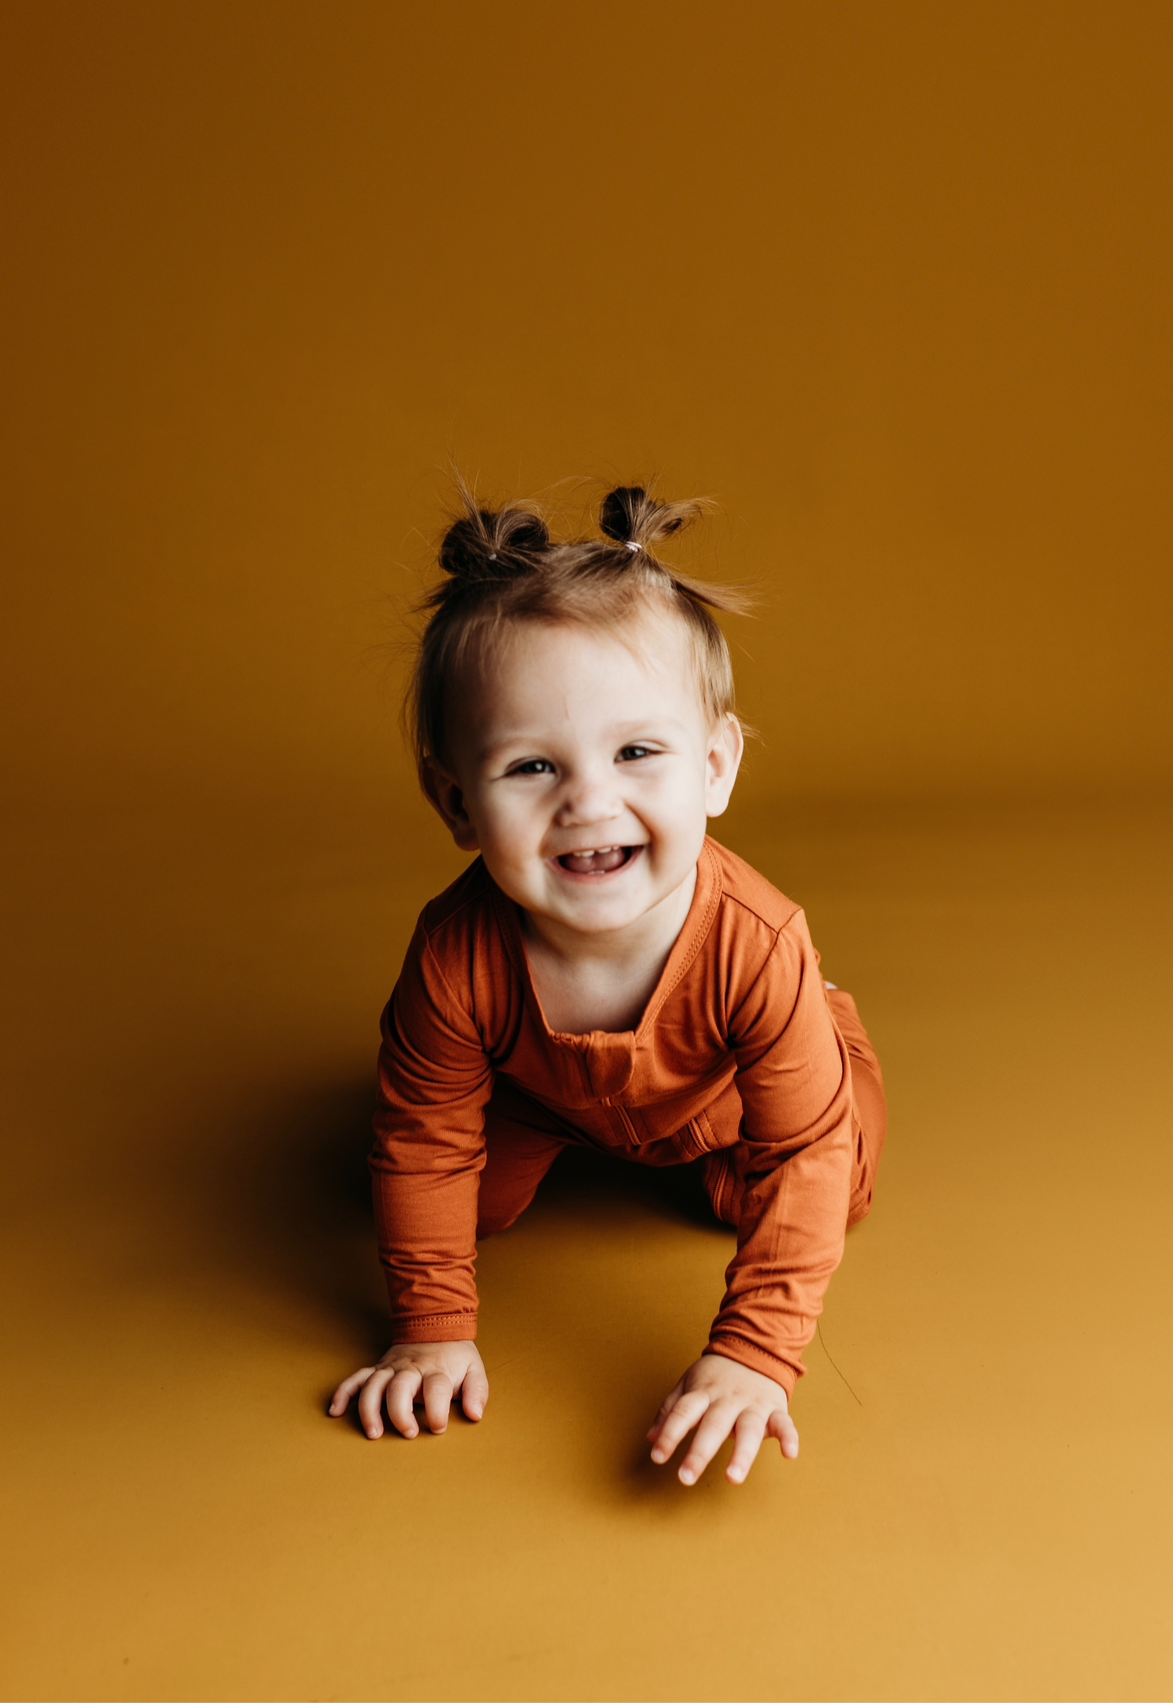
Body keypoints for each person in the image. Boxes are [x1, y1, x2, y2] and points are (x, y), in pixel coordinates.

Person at [329, 484, 886, 1486]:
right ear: (456, 799)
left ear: (714, 767)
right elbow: (421, 1132)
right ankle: (583, 1142)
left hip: (717, 1099)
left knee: (809, 1184)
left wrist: (753, 1351)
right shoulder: (457, 955)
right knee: (458, 1202)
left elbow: (802, 1149)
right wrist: (432, 1328)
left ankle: (821, 1021)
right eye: (533, 765)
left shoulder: (751, 943)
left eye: (637, 751)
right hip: (551, 1100)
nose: (590, 799)